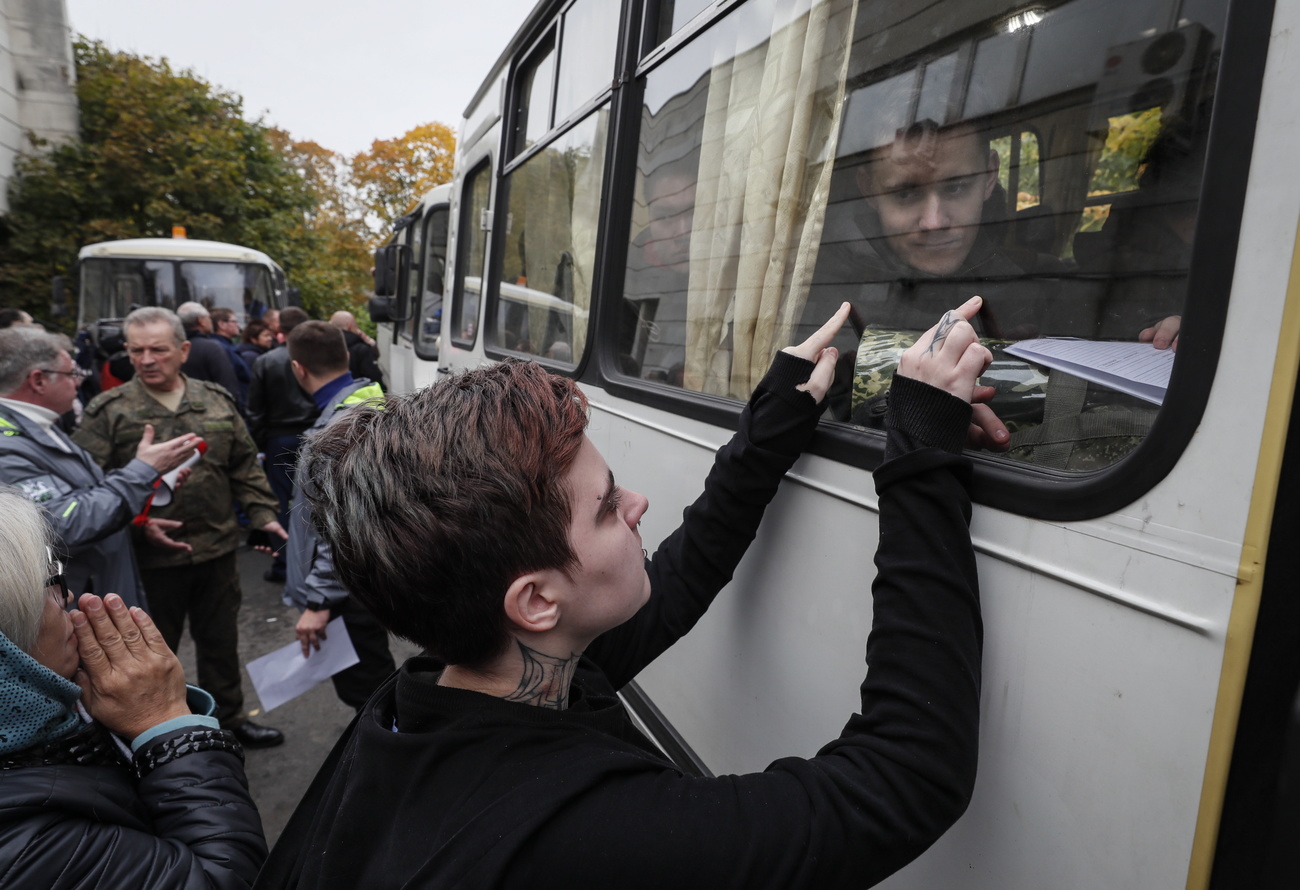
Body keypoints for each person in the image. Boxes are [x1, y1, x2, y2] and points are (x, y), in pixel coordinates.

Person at [257, 299, 987, 889]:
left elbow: (681, 575)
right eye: (606, 506)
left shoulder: (431, 702)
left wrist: (778, 414)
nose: (636, 502)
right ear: (536, 601)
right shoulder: (588, 837)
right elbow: (905, 779)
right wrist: (922, 452)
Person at [0, 486, 267, 887]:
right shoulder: (27, 843)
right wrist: (166, 724)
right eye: (50, 581)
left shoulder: (35, 735)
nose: (69, 594)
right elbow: (226, 877)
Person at [73, 307, 288, 749]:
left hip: (216, 549)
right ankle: (148, 736)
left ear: (183, 350)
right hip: (147, 561)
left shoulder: (214, 400)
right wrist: (138, 522)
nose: (147, 359)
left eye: (158, 349)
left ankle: (228, 721)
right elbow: (85, 489)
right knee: (144, 655)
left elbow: (244, 465)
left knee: (220, 644)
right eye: (137, 351)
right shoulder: (110, 411)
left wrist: (264, 515)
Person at [0, 326, 197, 609]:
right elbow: (62, 523)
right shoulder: (7, 445)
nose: (78, 382)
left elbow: (80, 495)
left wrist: (135, 525)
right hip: (77, 613)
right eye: (72, 373)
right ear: (39, 381)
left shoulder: (36, 426)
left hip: (91, 601)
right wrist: (142, 472)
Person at [282, 321, 394, 709]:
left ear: (299, 368)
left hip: (347, 591)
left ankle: (384, 760)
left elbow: (343, 526)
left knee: (367, 693)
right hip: (367, 576)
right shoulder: (368, 400)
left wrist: (318, 602)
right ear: (345, 356)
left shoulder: (336, 427)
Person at [247, 306, 318, 584]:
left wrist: (257, 444)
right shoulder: (315, 357)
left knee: (280, 502)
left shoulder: (266, 361)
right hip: (315, 432)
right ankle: (316, 563)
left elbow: (255, 410)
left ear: (280, 330)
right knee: (317, 496)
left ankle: (284, 566)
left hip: (279, 438)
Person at [176, 301, 241, 404]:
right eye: (209, 318)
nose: (211, 322)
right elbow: (228, 387)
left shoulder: (175, 347)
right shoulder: (212, 348)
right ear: (201, 321)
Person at [328, 310, 385, 391]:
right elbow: (374, 378)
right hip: (357, 398)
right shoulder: (361, 349)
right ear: (349, 326)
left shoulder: (323, 345)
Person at [210, 306, 254, 405]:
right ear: (222, 324)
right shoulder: (221, 348)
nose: (238, 325)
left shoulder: (225, 346)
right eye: (234, 321)